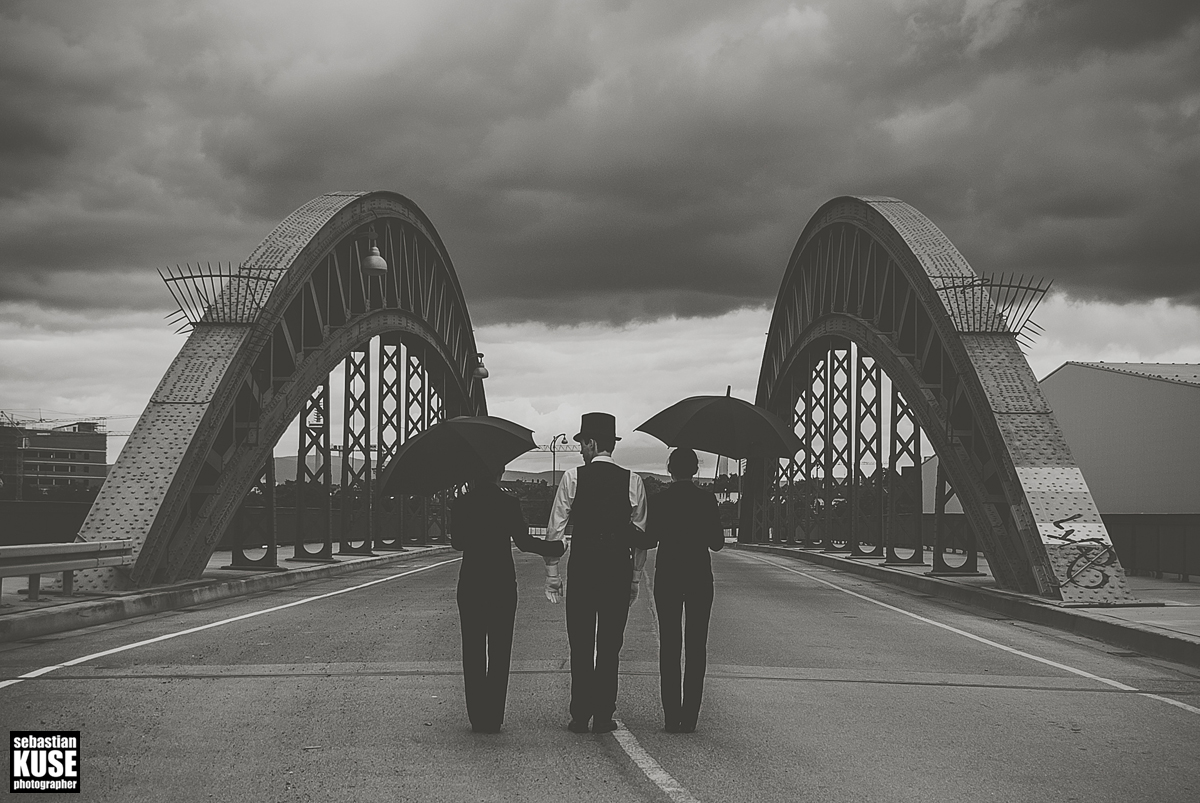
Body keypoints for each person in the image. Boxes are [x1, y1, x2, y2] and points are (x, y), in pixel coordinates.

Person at [544, 412, 651, 734]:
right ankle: (604, 714)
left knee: (580, 641)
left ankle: (580, 714)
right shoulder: (633, 480)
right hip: (617, 568)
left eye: (581, 443)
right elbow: (640, 536)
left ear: (591, 443)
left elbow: (555, 529)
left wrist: (552, 573)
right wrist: (634, 578)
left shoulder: (573, 478)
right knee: (609, 644)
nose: (579, 450)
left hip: (584, 567)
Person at [452, 468, 566, 733]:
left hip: (471, 582)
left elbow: (458, 543)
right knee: (500, 649)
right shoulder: (508, 502)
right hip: (501, 583)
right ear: (499, 473)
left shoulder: (461, 503)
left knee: (473, 649)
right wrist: (555, 548)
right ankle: (493, 716)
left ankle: (476, 716)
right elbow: (524, 543)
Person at [646, 447, 724, 733]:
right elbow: (717, 543)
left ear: (670, 469)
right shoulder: (706, 500)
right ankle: (689, 717)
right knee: (695, 646)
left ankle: (670, 717)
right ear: (695, 470)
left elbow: (650, 539)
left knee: (669, 645)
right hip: (699, 577)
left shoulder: (659, 500)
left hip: (667, 576)